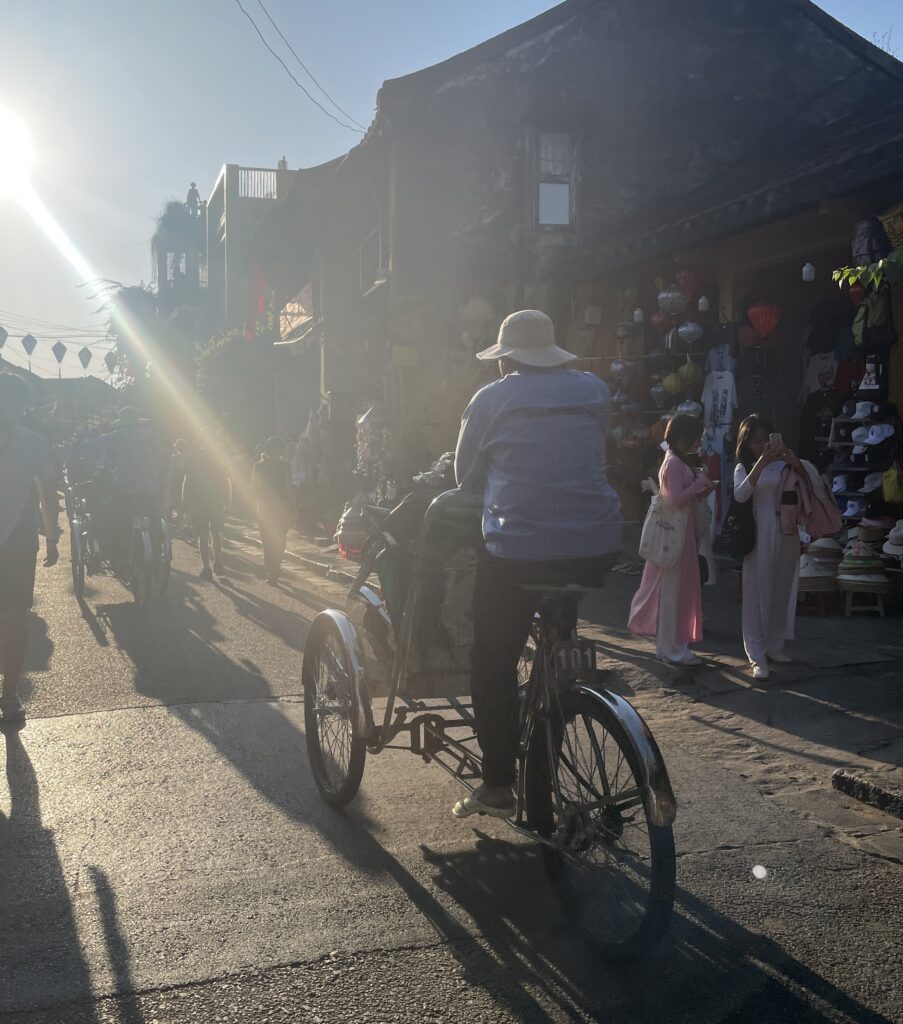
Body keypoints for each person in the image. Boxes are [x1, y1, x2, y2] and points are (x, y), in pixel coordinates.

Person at [452, 309, 623, 818]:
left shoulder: (491, 398)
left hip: (517, 553)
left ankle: (499, 782)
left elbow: (464, 478)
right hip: (596, 547)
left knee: (491, 660)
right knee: (555, 649)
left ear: (507, 360)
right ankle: (557, 692)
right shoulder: (593, 389)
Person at [628, 415, 716, 666]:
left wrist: (700, 489)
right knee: (672, 593)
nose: (698, 442)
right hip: (675, 536)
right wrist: (699, 481)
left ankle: (674, 647)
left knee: (675, 592)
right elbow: (675, 499)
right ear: (683, 439)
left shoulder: (675, 461)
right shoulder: (675, 463)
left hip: (681, 533)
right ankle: (671, 649)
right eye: (696, 438)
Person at [0, 373, 60, 724]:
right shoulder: (36, 441)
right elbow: (48, 494)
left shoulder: (34, 441)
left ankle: (9, 694)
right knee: (14, 618)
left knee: (14, 618)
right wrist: (52, 537)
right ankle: (9, 696)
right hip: (19, 540)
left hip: (20, 541)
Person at [733, 416, 812, 680]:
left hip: (786, 530)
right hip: (759, 533)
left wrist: (792, 461)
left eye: (766, 439)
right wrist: (762, 463)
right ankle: (756, 653)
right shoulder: (744, 465)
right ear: (747, 442)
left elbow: (807, 487)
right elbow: (740, 494)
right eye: (757, 441)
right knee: (756, 592)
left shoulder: (782, 464)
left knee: (782, 586)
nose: (763, 445)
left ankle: (775, 644)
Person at [103, 407, 162, 573]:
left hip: (124, 487)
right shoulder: (151, 435)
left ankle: (118, 555)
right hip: (149, 486)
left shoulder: (114, 437)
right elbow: (158, 457)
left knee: (117, 521)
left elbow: (107, 463)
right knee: (154, 519)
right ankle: (157, 545)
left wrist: (103, 473)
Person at [182, 429, 231, 580]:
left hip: (199, 501)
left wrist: (185, 501)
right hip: (216, 501)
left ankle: (206, 567)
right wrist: (228, 501)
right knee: (216, 533)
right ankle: (218, 560)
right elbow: (226, 481)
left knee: (203, 535)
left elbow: (187, 481)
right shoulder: (220, 458)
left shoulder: (192, 458)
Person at [251, 437, 295, 583]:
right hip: (282, 505)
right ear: (280, 450)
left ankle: (270, 568)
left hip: (264, 505)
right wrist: (294, 504)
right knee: (281, 537)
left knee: (266, 538)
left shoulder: (258, 466)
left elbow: (253, 486)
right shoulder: (285, 466)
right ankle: (276, 565)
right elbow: (288, 487)